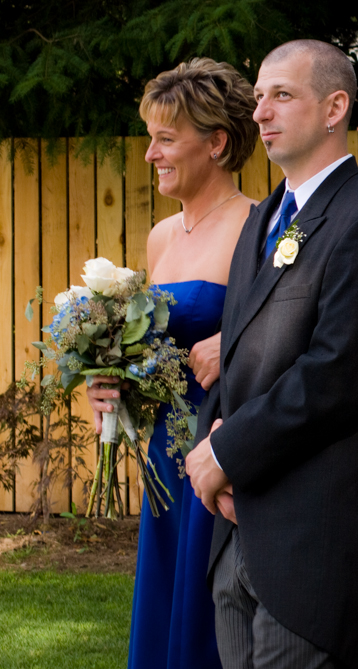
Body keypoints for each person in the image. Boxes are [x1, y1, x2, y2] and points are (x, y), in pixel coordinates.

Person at [183, 40, 358, 668]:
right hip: (238, 531)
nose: (260, 112)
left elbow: (336, 377)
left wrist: (228, 453)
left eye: (282, 95)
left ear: (335, 108)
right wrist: (213, 455)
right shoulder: (262, 220)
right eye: (259, 97)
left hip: (315, 550)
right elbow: (235, 356)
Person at [85, 57, 258, 669]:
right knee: (165, 605)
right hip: (165, 447)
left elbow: (281, 338)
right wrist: (109, 379)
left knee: (210, 619)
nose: (150, 153)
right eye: (149, 138)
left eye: (165, 139)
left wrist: (232, 346)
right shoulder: (161, 236)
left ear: (216, 143)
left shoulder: (257, 226)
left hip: (221, 440)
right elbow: (156, 350)